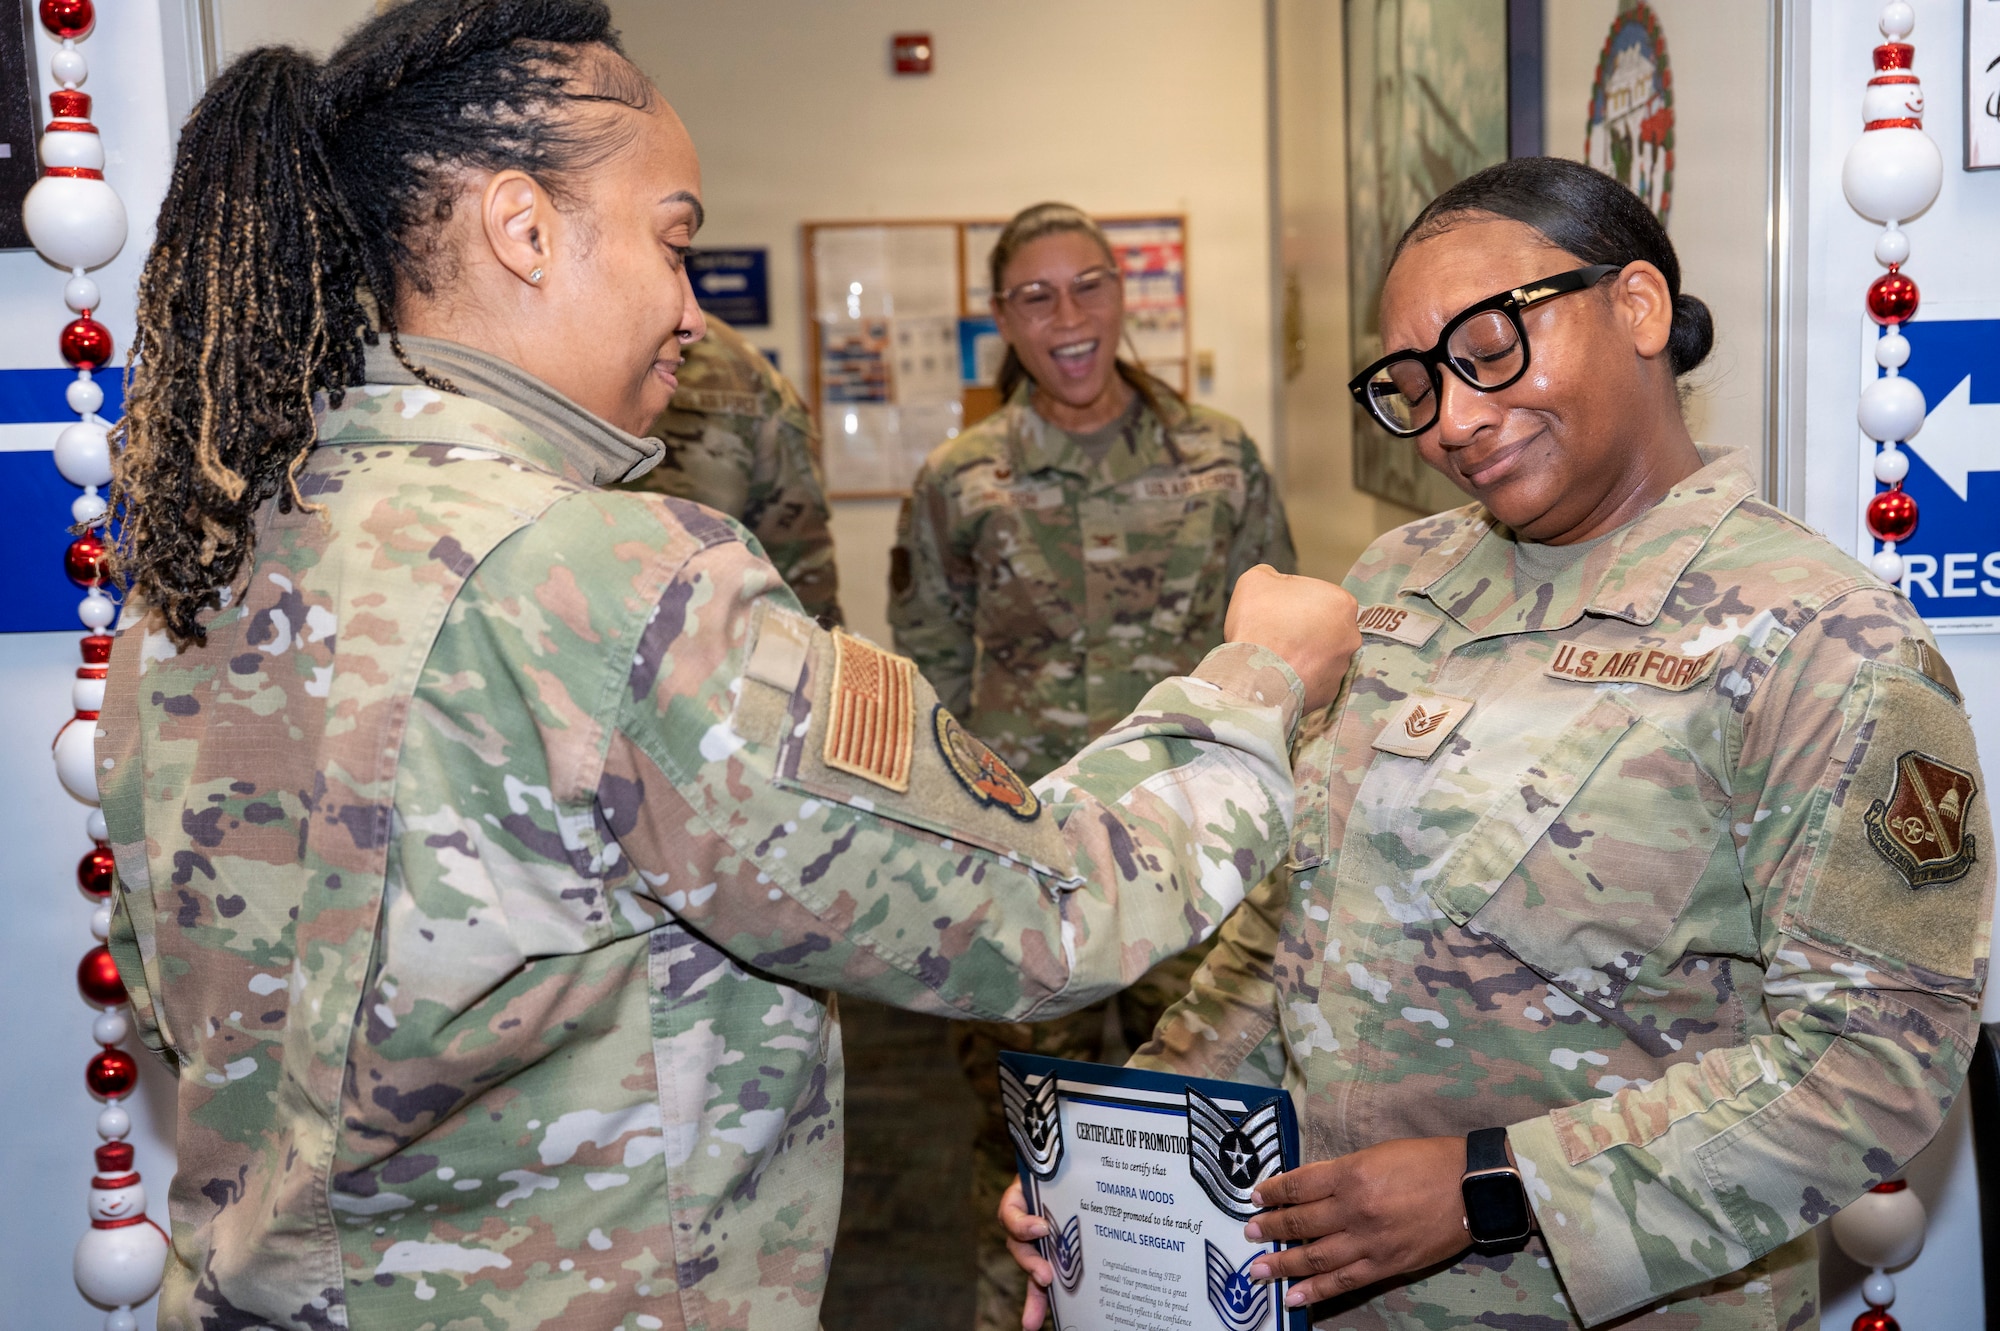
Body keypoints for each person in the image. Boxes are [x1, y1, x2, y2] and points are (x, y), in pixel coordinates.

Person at [88, 6, 1362, 1330]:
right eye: (673, 240)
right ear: (523, 229)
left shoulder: (201, 571)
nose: (694, 311)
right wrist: (1256, 685)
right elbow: (1035, 914)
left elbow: (181, 1002)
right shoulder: (611, 579)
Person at [1004, 155, 1994, 1330]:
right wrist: (1120, 1161)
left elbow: (1874, 1062)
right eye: (1413, 384)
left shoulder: (1819, 640)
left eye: (1486, 352)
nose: (1452, 421)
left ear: (1633, 307)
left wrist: (1498, 1187)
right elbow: (1284, 936)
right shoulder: (1395, 584)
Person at [889, 200, 1298, 1330]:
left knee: (1218, 1123)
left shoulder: (1218, 459)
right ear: (1000, 319)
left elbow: (1278, 652)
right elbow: (925, 678)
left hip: (1200, 858)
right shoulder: (958, 478)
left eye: (1087, 286)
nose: (1066, 317)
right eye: (1034, 294)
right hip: (1024, 865)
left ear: (1124, 294)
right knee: (1023, 1145)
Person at [616, 314, 844, 623]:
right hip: (710, 646)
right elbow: (801, 576)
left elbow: (797, 568)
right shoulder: (741, 365)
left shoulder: (740, 370)